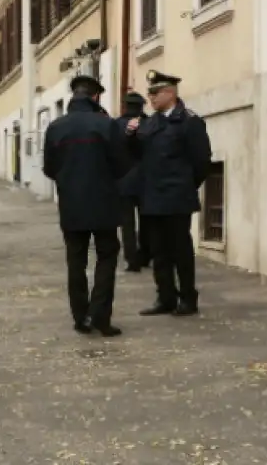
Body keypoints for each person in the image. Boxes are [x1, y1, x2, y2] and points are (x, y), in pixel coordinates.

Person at [43, 75, 128, 337]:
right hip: (103, 202)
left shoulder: (56, 127)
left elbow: (49, 168)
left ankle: (81, 317)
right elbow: (121, 164)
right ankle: (99, 315)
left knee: (76, 260)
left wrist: (69, 181)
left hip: (71, 204)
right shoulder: (106, 125)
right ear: (95, 97)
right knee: (107, 255)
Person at [126, 70, 212, 317]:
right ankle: (165, 297)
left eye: (154, 93)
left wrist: (185, 186)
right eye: (149, 93)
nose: (150, 98)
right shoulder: (150, 122)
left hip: (176, 197)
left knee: (180, 251)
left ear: (170, 93)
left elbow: (201, 162)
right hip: (152, 197)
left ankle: (187, 298)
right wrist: (130, 136)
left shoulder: (189, 121)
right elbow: (137, 155)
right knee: (158, 251)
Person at [116, 91, 151, 272]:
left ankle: (132, 259)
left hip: (123, 180)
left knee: (127, 223)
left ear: (125, 106)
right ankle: (145, 255)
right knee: (146, 221)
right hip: (146, 179)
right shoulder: (149, 123)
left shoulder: (115, 125)